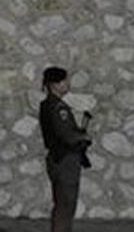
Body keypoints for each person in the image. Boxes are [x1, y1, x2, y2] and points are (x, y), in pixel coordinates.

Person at [39, 66, 91, 232]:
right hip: (65, 159)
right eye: (64, 81)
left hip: (58, 157)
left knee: (63, 203)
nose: (68, 84)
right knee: (66, 204)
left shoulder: (47, 104)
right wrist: (83, 138)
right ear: (55, 84)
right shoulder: (58, 107)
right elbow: (66, 136)